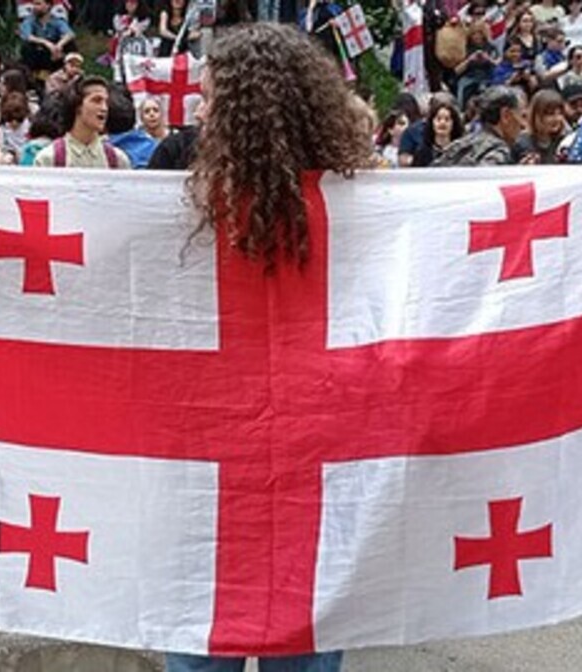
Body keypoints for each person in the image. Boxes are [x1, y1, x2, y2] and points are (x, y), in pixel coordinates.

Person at [165, 23, 370, 669]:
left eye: (210, 99)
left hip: (291, 482)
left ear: (248, 110)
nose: (199, 114)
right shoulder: (181, 209)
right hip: (219, 483)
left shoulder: (356, 213)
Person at [33, 76, 131, 169]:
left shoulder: (118, 160)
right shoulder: (48, 158)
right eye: (96, 100)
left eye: (106, 102)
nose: (104, 108)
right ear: (77, 105)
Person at [433, 85, 526, 166]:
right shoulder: (499, 153)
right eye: (522, 116)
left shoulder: (458, 145)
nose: (523, 125)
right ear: (506, 115)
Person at [20, 0, 77, 76]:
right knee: (27, 46)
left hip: (53, 52)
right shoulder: (29, 20)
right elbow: (27, 36)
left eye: (38, 4)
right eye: (33, 4)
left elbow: (70, 34)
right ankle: (32, 75)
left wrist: (59, 45)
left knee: (70, 44)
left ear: (48, 6)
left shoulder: (56, 20)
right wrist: (45, 42)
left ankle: (71, 71)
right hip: (38, 51)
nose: (34, 7)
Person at [512, 88, 567, 164]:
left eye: (560, 113)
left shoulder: (564, 142)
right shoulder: (522, 143)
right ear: (535, 116)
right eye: (550, 114)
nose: (557, 119)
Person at [411, 99, 463, 167]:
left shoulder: (460, 151)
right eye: (438, 119)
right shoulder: (422, 153)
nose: (442, 123)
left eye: (447, 119)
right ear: (432, 123)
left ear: (454, 124)